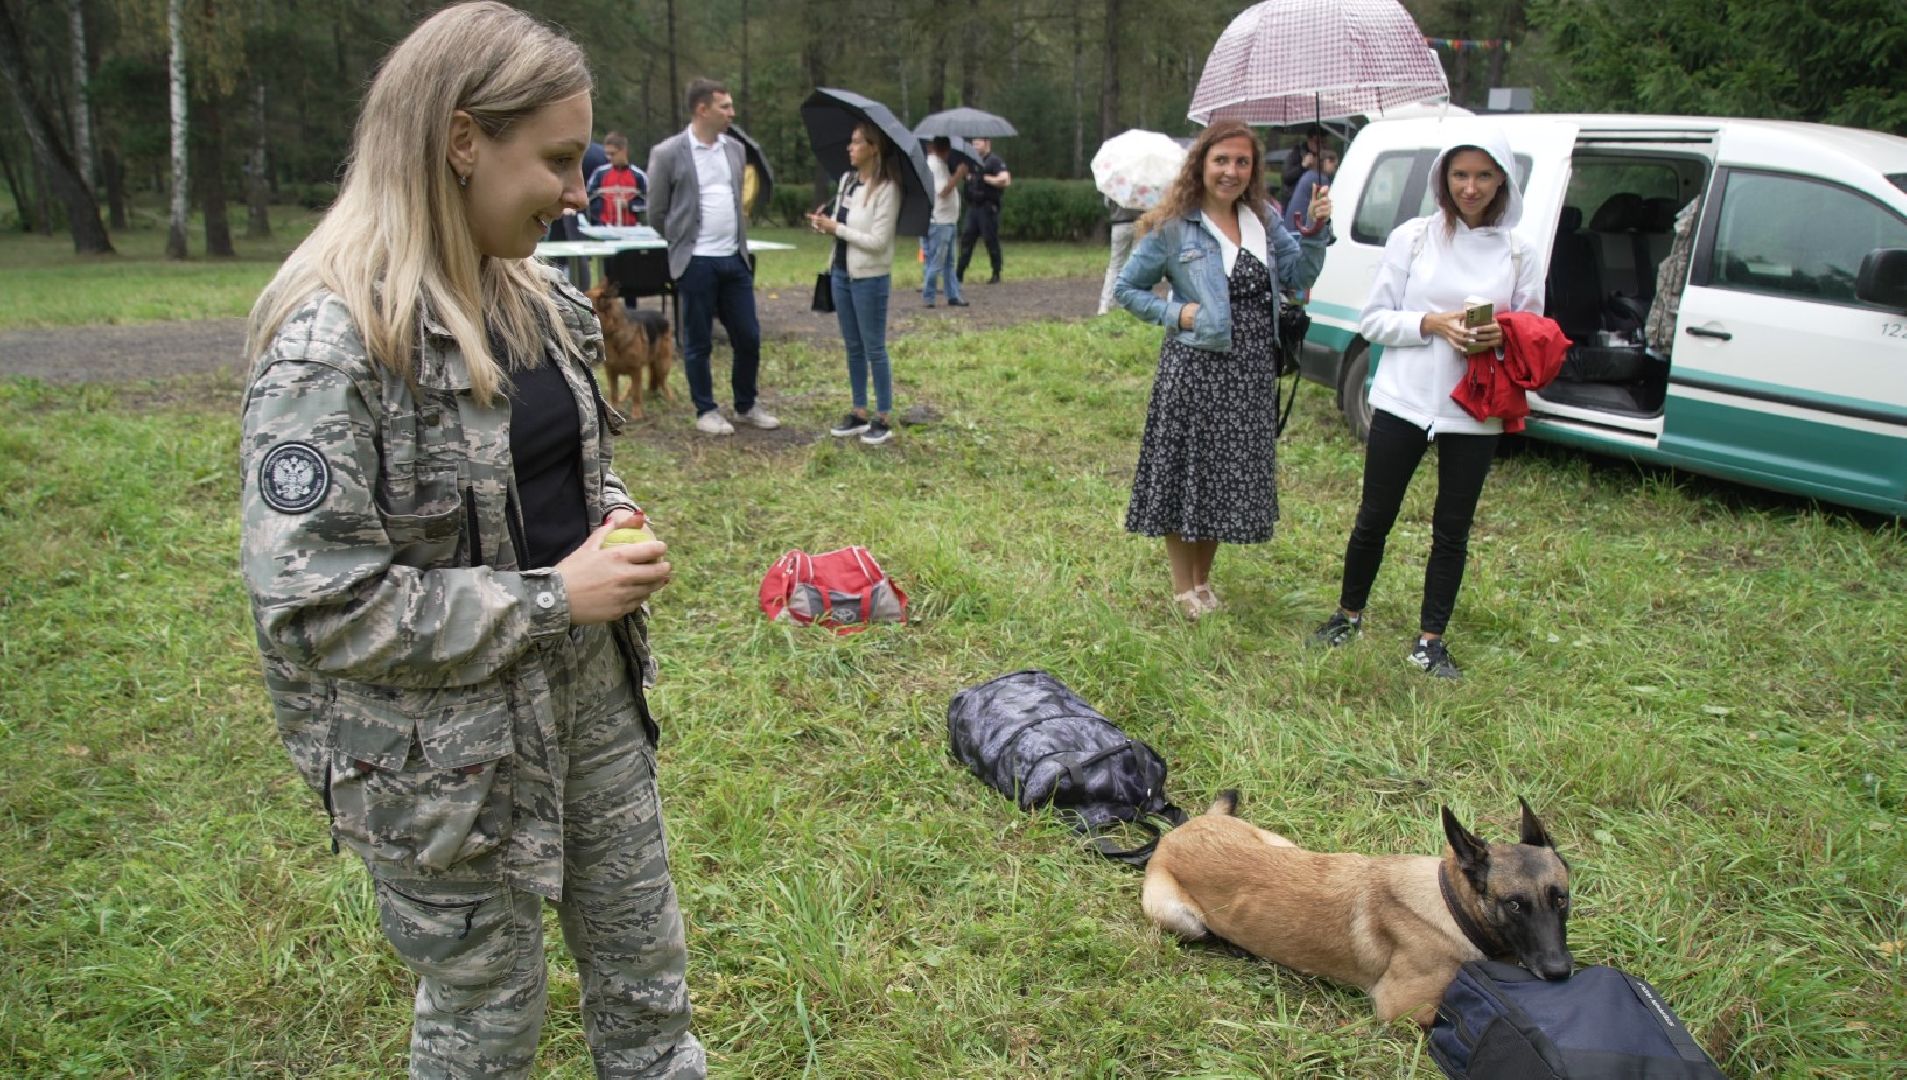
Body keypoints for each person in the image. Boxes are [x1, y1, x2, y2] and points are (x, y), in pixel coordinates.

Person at [237, 5, 705, 1076]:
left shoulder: (537, 300)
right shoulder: (331, 347)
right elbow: (315, 608)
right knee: (485, 1016)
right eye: (552, 159)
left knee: (647, 985)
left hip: (587, 705)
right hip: (439, 764)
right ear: (460, 141)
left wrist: (614, 524)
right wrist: (553, 596)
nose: (576, 191)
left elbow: (565, 470)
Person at [1312, 123, 1543, 679]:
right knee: (1375, 516)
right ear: (1443, 178)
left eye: (1483, 175)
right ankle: (1348, 613)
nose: (1471, 187)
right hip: (1403, 400)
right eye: (1460, 174)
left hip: (1473, 409)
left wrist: (1499, 336)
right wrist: (1431, 323)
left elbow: (1532, 328)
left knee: (1452, 528)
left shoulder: (1519, 250)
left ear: (1503, 181)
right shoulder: (1412, 237)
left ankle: (1430, 640)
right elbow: (1373, 320)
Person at [1113, 121, 1332, 619]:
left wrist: (1316, 229)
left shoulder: (1264, 220)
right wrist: (1177, 313)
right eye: (1221, 161)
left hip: (1252, 371)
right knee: (1186, 472)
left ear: (1253, 170)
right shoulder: (1174, 227)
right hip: (1195, 369)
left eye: (1242, 162)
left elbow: (1299, 277)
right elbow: (1128, 289)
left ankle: (1205, 580)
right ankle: (1182, 587)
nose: (1231, 171)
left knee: (1225, 476)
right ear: (1201, 165)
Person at [646, 78, 780, 435]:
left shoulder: (735, 150)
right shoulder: (668, 153)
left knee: (748, 335)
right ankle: (705, 409)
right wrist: (683, 247)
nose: (732, 113)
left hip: (733, 259)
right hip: (696, 261)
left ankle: (746, 404)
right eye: (725, 107)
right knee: (698, 339)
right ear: (701, 109)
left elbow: (737, 200)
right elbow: (656, 211)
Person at [809, 121, 904, 445]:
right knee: (852, 347)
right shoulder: (848, 182)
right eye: (850, 142)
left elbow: (878, 241)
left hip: (870, 277)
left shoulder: (888, 189)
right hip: (841, 273)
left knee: (874, 347)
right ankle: (859, 411)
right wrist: (823, 224)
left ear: (873, 147)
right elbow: (841, 223)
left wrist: (838, 229)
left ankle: (884, 416)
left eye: (856, 142)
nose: (850, 148)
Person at [956, 135, 1010, 284]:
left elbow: (1005, 179)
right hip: (973, 207)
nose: (974, 146)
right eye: (973, 143)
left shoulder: (994, 161)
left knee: (990, 240)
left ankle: (996, 272)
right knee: (966, 239)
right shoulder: (971, 161)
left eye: (977, 143)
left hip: (987, 207)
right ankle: (959, 273)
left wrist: (985, 178)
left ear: (987, 144)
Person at [922, 136, 968, 308]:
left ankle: (953, 295)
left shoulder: (940, 165)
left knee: (948, 262)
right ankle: (929, 296)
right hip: (940, 221)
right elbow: (943, 191)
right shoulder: (934, 166)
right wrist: (958, 175)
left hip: (947, 220)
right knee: (937, 261)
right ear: (945, 150)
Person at [587, 131, 647, 226]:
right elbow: (588, 198)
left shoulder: (639, 176)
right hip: (603, 229)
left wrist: (629, 205)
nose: (609, 157)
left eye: (612, 154)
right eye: (607, 154)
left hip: (632, 230)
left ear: (623, 150)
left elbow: (649, 203)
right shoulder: (599, 174)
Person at [1097, 197, 1143, 316]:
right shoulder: (1140, 185)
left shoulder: (1114, 187)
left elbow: (1107, 204)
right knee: (1135, 265)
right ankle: (1133, 304)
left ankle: (1105, 305)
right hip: (1139, 224)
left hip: (1119, 225)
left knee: (1115, 266)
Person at [1282, 147, 1338, 235]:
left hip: (1289, 227)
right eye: (1334, 165)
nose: (1334, 170)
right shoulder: (1320, 179)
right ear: (1327, 162)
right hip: (1299, 229)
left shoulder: (1309, 174)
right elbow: (1323, 207)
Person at [1280, 125, 1324, 194]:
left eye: (1322, 142)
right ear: (1309, 140)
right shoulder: (1296, 153)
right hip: (1294, 196)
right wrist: (1302, 166)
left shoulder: (1321, 156)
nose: (1320, 145)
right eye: (1317, 142)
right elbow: (1286, 177)